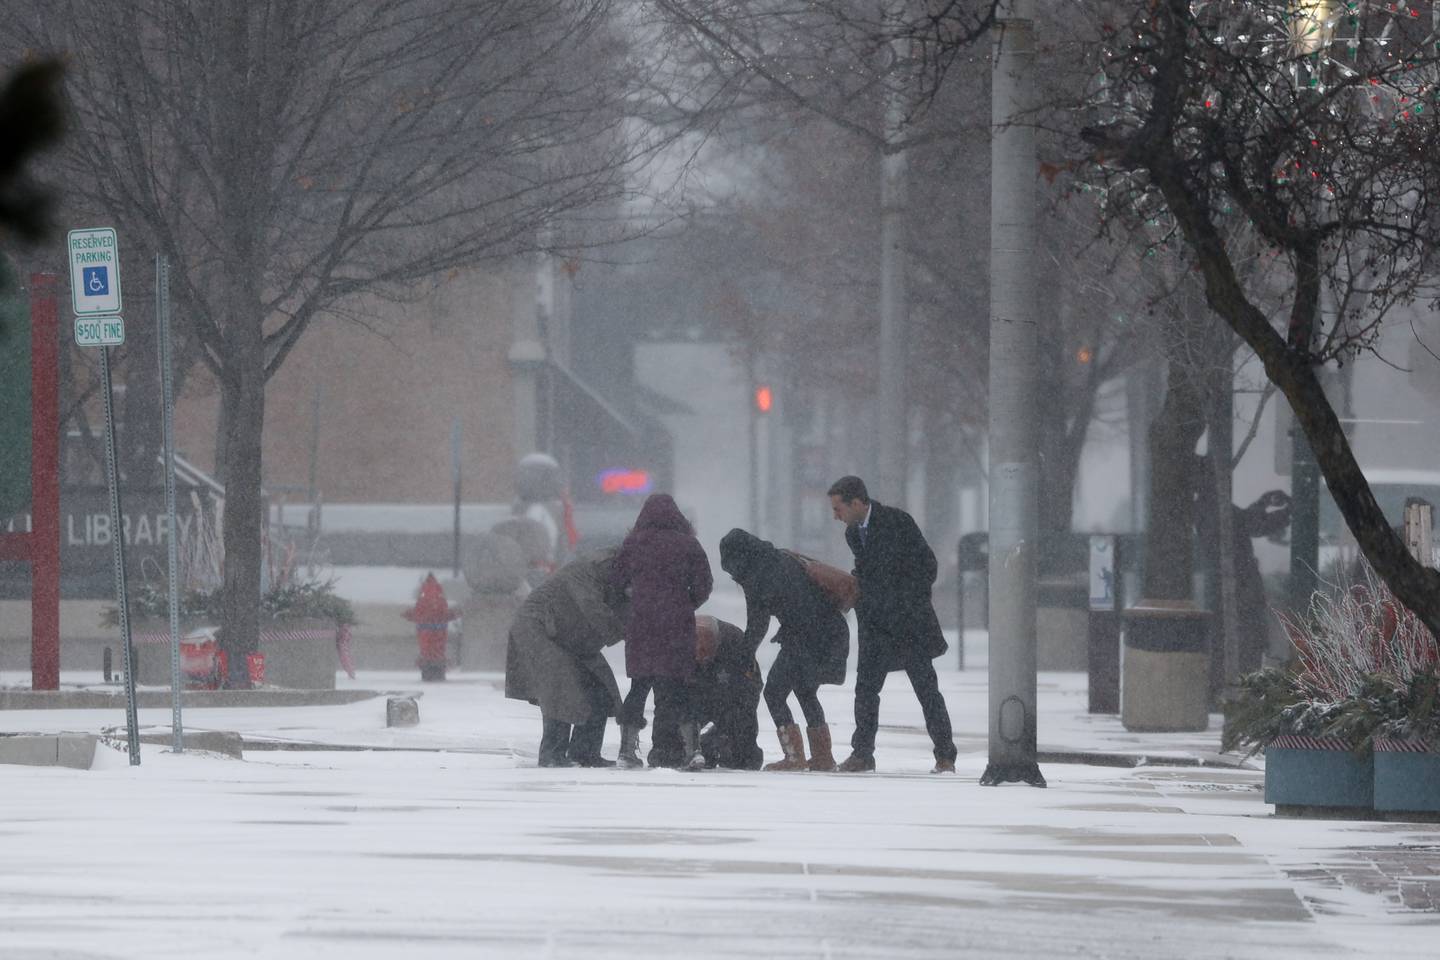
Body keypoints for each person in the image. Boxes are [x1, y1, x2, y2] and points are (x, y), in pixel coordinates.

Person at [827, 475, 958, 774]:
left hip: (908, 624)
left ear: (857, 502)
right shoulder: (852, 533)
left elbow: (927, 565)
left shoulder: (897, 522)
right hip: (875, 625)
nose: (836, 517)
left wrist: (905, 599)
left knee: (926, 689)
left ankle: (945, 755)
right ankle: (862, 754)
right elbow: (870, 569)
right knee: (866, 690)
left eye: (839, 509)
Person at [718, 528, 849, 772]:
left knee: (774, 693)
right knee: (805, 690)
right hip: (830, 632)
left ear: (739, 559)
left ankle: (794, 757)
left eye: (732, 568)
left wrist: (746, 654)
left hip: (805, 637)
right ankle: (822, 756)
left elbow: (758, 623)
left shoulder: (755, 575)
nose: (735, 575)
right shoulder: (780, 558)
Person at [613, 493, 713, 771]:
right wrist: (685, 603)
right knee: (681, 688)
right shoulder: (689, 545)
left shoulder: (633, 544)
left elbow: (616, 581)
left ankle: (626, 750)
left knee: (639, 686)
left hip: (642, 624)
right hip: (676, 625)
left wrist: (636, 600)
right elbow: (704, 585)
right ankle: (693, 750)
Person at [503, 548, 628, 767]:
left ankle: (584, 752)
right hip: (539, 627)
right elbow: (593, 609)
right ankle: (552, 754)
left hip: (571, 633)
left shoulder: (615, 578)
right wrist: (628, 631)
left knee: (599, 686)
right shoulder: (585, 571)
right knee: (560, 687)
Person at [645, 615, 765, 770]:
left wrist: (730, 728)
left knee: (745, 759)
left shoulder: (736, 642)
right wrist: (662, 742)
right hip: (690, 698)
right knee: (667, 756)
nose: (701, 658)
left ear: (717, 643)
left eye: (706, 652)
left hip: (727, 696)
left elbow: (751, 689)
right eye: (697, 654)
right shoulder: (673, 645)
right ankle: (680, 744)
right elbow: (663, 698)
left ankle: (717, 740)